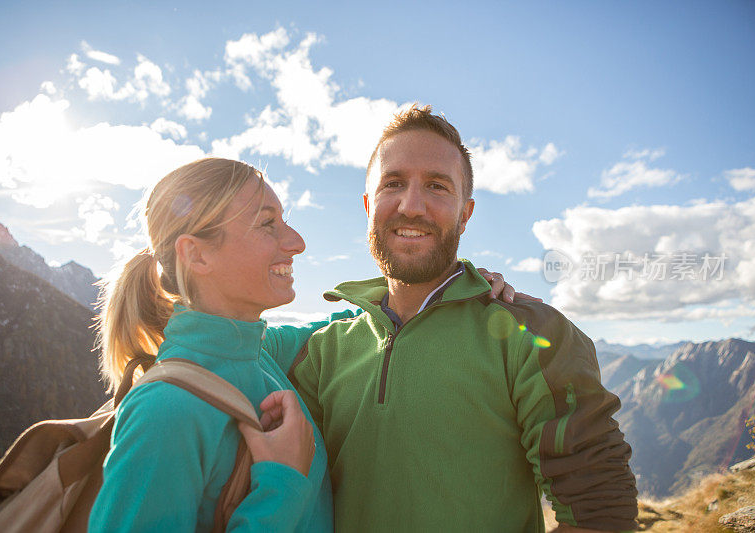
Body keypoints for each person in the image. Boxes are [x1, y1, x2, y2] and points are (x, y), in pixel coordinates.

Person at [88, 157, 518, 532]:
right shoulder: (164, 412)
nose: (296, 242)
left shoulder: (260, 354)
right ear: (197, 255)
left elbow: (367, 324)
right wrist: (281, 485)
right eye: (267, 224)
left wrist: (455, 288)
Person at [290, 106, 639, 532]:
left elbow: (600, 510)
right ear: (368, 205)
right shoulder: (322, 351)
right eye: (393, 183)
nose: (411, 205)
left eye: (437, 186)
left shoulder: (531, 332)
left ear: (465, 214)